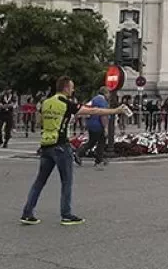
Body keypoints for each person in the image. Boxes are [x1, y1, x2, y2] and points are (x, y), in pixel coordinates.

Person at [20, 76, 127, 225]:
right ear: (65, 88)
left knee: (40, 181)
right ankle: (66, 214)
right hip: (61, 145)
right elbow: (93, 110)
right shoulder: (66, 103)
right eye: (71, 87)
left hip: (46, 144)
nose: (73, 89)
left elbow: (39, 122)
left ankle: (27, 212)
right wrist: (115, 110)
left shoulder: (46, 102)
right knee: (66, 181)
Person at [78, 86, 110, 169]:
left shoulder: (93, 99)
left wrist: (85, 123)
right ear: (105, 93)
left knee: (92, 142)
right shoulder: (103, 101)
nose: (109, 95)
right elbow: (103, 115)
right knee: (101, 142)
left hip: (91, 124)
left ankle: (79, 153)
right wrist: (106, 127)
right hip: (98, 125)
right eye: (108, 93)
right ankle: (98, 160)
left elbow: (85, 110)